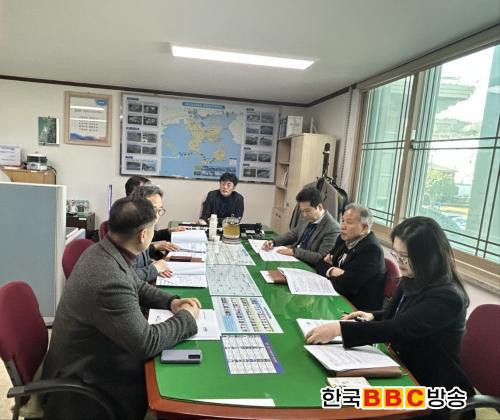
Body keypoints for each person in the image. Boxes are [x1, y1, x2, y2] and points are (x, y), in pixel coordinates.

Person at [42, 196, 201, 420]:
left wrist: (171, 302)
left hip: (88, 357)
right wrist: (187, 318)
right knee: (174, 389)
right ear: (143, 235)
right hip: (85, 386)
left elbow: (136, 284)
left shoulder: (104, 250)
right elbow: (147, 343)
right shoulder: (109, 279)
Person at [306, 217, 474, 417]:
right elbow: (399, 315)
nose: (400, 262)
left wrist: (338, 329)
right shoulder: (413, 278)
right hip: (401, 367)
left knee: (344, 403)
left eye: (405, 257)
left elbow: (399, 329)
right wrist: (372, 316)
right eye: (397, 254)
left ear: (428, 256)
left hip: (431, 388)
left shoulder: (447, 296)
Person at [315, 203, 385, 310]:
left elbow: (345, 287)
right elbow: (320, 263)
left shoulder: (371, 250)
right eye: (343, 221)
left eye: (349, 222)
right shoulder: (343, 239)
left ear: (364, 228)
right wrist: (333, 270)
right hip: (336, 297)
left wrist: (329, 270)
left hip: (355, 308)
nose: (342, 226)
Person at [261, 187, 340, 265]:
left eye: (307, 211)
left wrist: (294, 252)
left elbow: (321, 257)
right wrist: (274, 242)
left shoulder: (333, 228)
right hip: (294, 260)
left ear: (319, 207)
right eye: (302, 211)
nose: (304, 215)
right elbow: (293, 234)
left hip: (309, 266)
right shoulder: (307, 217)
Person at [124, 175, 183, 257]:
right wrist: (156, 247)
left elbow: (148, 234)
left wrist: (168, 231)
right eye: (146, 190)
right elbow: (129, 250)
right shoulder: (124, 215)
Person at [131, 185, 175, 282]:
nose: (157, 216)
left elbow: (143, 262)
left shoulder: (145, 228)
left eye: (159, 210)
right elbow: (126, 278)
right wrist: (154, 269)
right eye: (153, 210)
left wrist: (155, 265)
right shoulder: (129, 233)